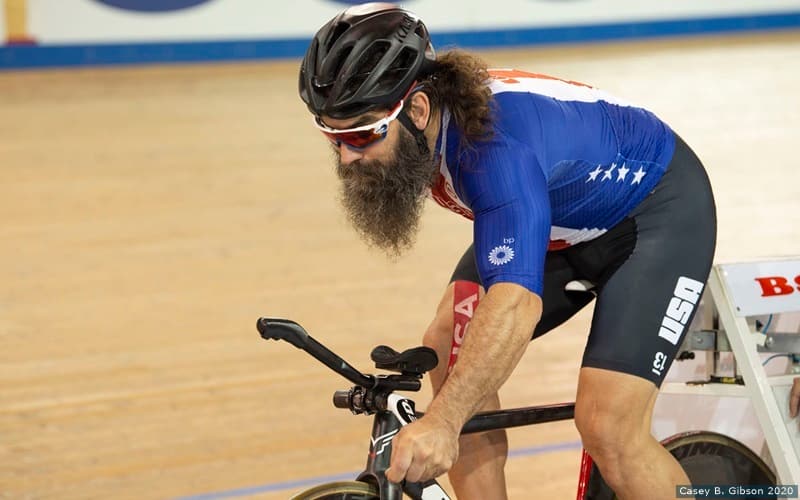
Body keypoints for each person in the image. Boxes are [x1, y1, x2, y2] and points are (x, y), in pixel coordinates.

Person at [298, 3, 717, 499]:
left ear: (417, 110)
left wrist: (445, 421)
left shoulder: (492, 151)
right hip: (561, 221)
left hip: (657, 215)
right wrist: (451, 409)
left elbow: (515, 304)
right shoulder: (426, 132)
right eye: (333, 136)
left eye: (362, 134)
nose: (347, 157)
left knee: (607, 425)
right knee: (448, 344)